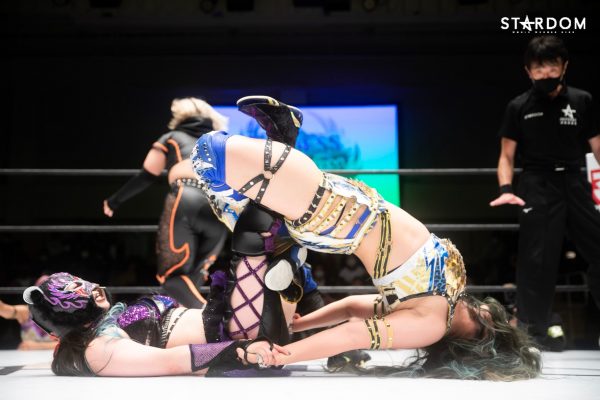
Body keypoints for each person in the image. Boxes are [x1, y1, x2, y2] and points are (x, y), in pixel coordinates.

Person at [190, 96, 542, 380]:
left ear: (482, 341)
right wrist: (302, 324)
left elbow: (354, 332)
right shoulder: (448, 297)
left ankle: (285, 135)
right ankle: (283, 134)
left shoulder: (431, 325)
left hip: (332, 216)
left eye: (498, 328)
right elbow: (352, 307)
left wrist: (285, 353)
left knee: (210, 158)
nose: (499, 315)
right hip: (351, 206)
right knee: (241, 203)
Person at [490, 35, 600, 351]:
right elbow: (506, 155)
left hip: (576, 181)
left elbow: (597, 146)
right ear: (528, 71)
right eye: (539, 68)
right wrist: (506, 189)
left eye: (552, 66)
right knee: (535, 261)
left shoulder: (582, 101)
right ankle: (532, 334)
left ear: (564, 66)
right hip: (537, 185)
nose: (546, 73)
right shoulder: (518, 106)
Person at [22, 272, 286, 376]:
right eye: (73, 292)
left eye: (79, 281)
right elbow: (172, 361)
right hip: (238, 329)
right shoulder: (99, 348)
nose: (93, 288)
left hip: (233, 318)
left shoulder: (108, 324)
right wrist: (241, 351)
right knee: (256, 233)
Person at [103, 98, 229, 308]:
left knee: (171, 276)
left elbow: (147, 175)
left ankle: (213, 317)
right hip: (221, 205)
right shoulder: (221, 142)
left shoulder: (172, 137)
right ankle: (201, 321)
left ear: (179, 116)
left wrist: (114, 201)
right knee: (195, 276)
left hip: (186, 196)